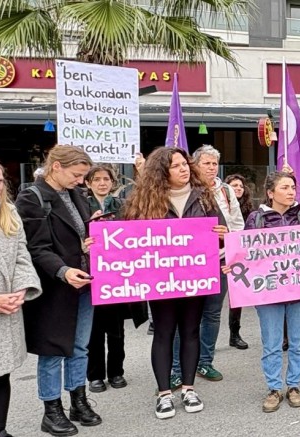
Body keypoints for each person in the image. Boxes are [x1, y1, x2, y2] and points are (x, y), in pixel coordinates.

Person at [123, 147, 228, 420]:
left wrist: (222, 234)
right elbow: (126, 238)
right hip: (161, 281)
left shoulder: (204, 197)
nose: (184, 169)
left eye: (185, 164)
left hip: (196, 278)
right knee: (164, 333)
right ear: (161, 172)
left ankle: (188, 388)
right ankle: (164, 393)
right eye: (176, 166)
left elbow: (222, 230)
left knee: (191, 331)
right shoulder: (143, 201)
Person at [15, 146, 101, 436]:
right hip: (54, 285)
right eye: (77, 175)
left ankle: (78, 400)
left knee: (79, 346)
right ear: (56, 167)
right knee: (53, 350)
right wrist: (63, 271)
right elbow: (35, 248)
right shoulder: (31, 198)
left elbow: (81, 236)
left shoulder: (78, 194)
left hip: (85, 280)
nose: (80, 181)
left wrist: (92, 239)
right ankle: (52, 410)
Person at [0, 155, 42, 437]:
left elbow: (22, 255)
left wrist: (21, 289)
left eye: (0, 180)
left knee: (1, 374)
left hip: (7, 310)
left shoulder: (8, 212)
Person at [236, 171, 300, 413]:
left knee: (299, 342)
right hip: (268, 292)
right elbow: (245, 252)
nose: (291, 191)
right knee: (271, 343)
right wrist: (234, 263)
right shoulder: (255, 218)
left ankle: (294, 385)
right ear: (271, 193)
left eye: (293, 187)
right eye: (285, 187)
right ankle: (273, 388)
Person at [169, 146, 244, 388]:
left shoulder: (226, 191)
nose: (211, 168)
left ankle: (205, 361)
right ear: (194, 165)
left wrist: (228, 236)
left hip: (219, 260)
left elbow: (237, 224)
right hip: (187, 265)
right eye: (206, 164)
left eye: (214, 164)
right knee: (183, 317)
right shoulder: (183, 190)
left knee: (212, 314)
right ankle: (176, 369)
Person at [84, 165, 148, 394]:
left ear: (112, 182)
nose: (102, 183)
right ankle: (95, 375)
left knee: (116, 329)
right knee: (94, 330)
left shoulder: (122, 207)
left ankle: (116, 371)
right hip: (91, 277)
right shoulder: (81, 206)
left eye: (106, 179)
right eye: (97, 179)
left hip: (116, 276)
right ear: (88, 183)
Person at [223, 174, 255, 350]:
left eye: (241, 186)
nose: (238, 188)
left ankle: (234, 334)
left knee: (237, 298)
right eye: (234, 185)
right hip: (222, 255)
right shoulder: (221, 208)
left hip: (240, 258)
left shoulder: (250, 210)